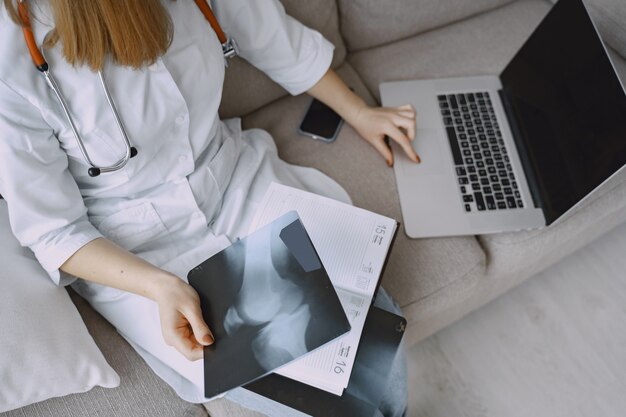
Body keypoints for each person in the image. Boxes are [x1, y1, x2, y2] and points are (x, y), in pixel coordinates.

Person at [0, 1, 417, 415]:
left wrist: (360, 112)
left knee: (381, 346)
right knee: (323, 404)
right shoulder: (10, 62)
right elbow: (54, 231)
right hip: (137, 250)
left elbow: (276, 39)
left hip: (237, 184)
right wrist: (159, 285)